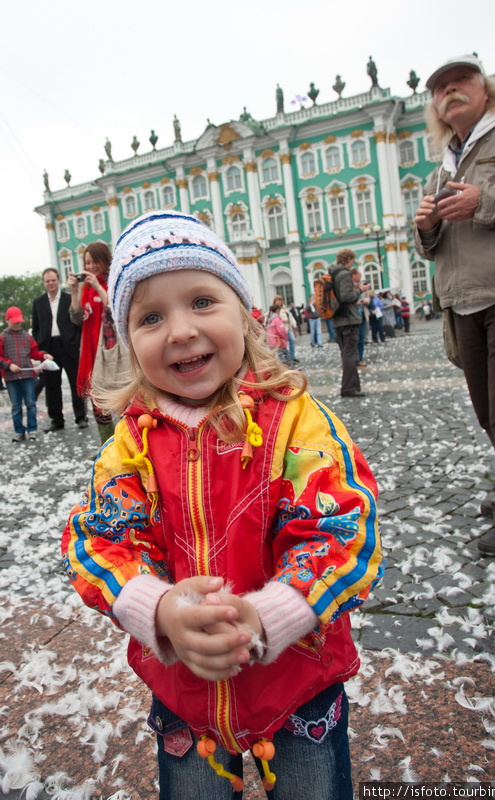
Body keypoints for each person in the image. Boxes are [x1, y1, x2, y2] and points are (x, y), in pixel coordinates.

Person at [62, 210, 383, 800]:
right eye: (151, 316)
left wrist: (272, 614)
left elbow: (343, 530)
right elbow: (100, 539)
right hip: (186, 696)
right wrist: (156, 609)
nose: (180, 330)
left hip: (298, 684)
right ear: (130, 342)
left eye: (203, 301)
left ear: (245, 313)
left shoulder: (294, 421)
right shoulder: (131, 444)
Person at [414, 53, 495, 557]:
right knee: (490, 412)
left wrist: (485, 200)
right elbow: (433, 245)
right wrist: (425, 227)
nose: (451, 91)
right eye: (441, 88)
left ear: (487, 89)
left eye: (462, 80)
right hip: (462, 303)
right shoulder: (444, 163)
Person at [67, 243, 117, 444]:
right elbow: (76, 318)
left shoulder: (113, 282)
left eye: (94, 261)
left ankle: (127, 443)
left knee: (123, 399)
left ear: (105, 260)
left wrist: (97, 285)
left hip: (110, 350)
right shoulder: (85, 287)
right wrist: (74, 291)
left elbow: (114, 311)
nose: (90, 266)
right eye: (87, 262)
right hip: (90, 350)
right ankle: (108, 445)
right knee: (97, 403)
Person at [31, 267, 87, 432]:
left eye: (53, 280)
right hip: (48, 348)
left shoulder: (69, 298)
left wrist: (75, 341)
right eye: (47, 281)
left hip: (68, 345)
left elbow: (78, 322)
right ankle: (56, 420)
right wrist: (40, 345)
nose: (51, 283)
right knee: (51, 385)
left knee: (76, 382)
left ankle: (81, 417)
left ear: (58, 280)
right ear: (44, 283)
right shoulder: (38, 302)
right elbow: (35, 328)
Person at [0, 306, 53, 441]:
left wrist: (43, 355)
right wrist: (8, 365)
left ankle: (32, 429)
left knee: (31, 403)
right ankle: (19, 431)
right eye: (14, 321)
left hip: (28, 375)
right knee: (16, 405)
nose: (17, 324)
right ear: (7, 320)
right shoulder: (2, 337)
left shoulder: (26, 336)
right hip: (11, 377)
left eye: (19, 321)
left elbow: (34, 353)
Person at [329, 250, 367, 397]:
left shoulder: (334, 273)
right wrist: (360, 291)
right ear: (349, 259)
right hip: (348, 319)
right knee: (350, 354)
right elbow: (345, 296)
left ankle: (354, 386)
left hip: (339, 319)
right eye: (353, 260)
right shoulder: (344, 274)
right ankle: (348, 388)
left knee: (347, 353)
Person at [272, 294, 298, 363]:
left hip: (287, 328)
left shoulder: (284, 308)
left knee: (292, 340)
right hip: (280, 330)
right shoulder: (273, 309)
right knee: (282, 346)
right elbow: (273, 319)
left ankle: (292, 357)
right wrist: (282, 321)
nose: (278, 302)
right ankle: (285, 360)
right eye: (277, 300)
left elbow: (290, 316)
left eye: (279, 300)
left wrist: (294, 324)